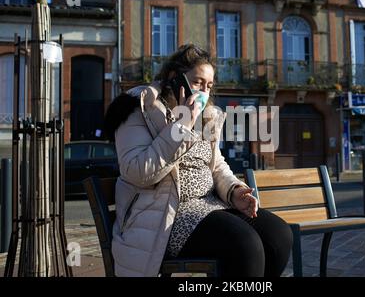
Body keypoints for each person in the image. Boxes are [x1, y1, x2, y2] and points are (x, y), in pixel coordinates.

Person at [104, 44, 293, 277]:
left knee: (279, 235)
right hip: (167, 215)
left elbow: (217, 165)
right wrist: (181, 126)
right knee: (245, 244)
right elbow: (137, 172)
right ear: (175, 79)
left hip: (212, 205)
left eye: (209, 86)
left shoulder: (208, 116)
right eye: (197, 83)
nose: (204, 91)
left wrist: (233, 190)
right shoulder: (140, 106)